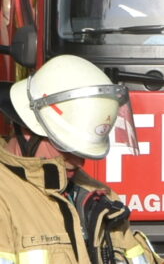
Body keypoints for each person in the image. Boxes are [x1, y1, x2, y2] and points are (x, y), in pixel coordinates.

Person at [0, 56, 156, 264]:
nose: (79, 162)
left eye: (84, 151)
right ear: (27, 130)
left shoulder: (102, 198)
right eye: (67, 146)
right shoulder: (4, 199)